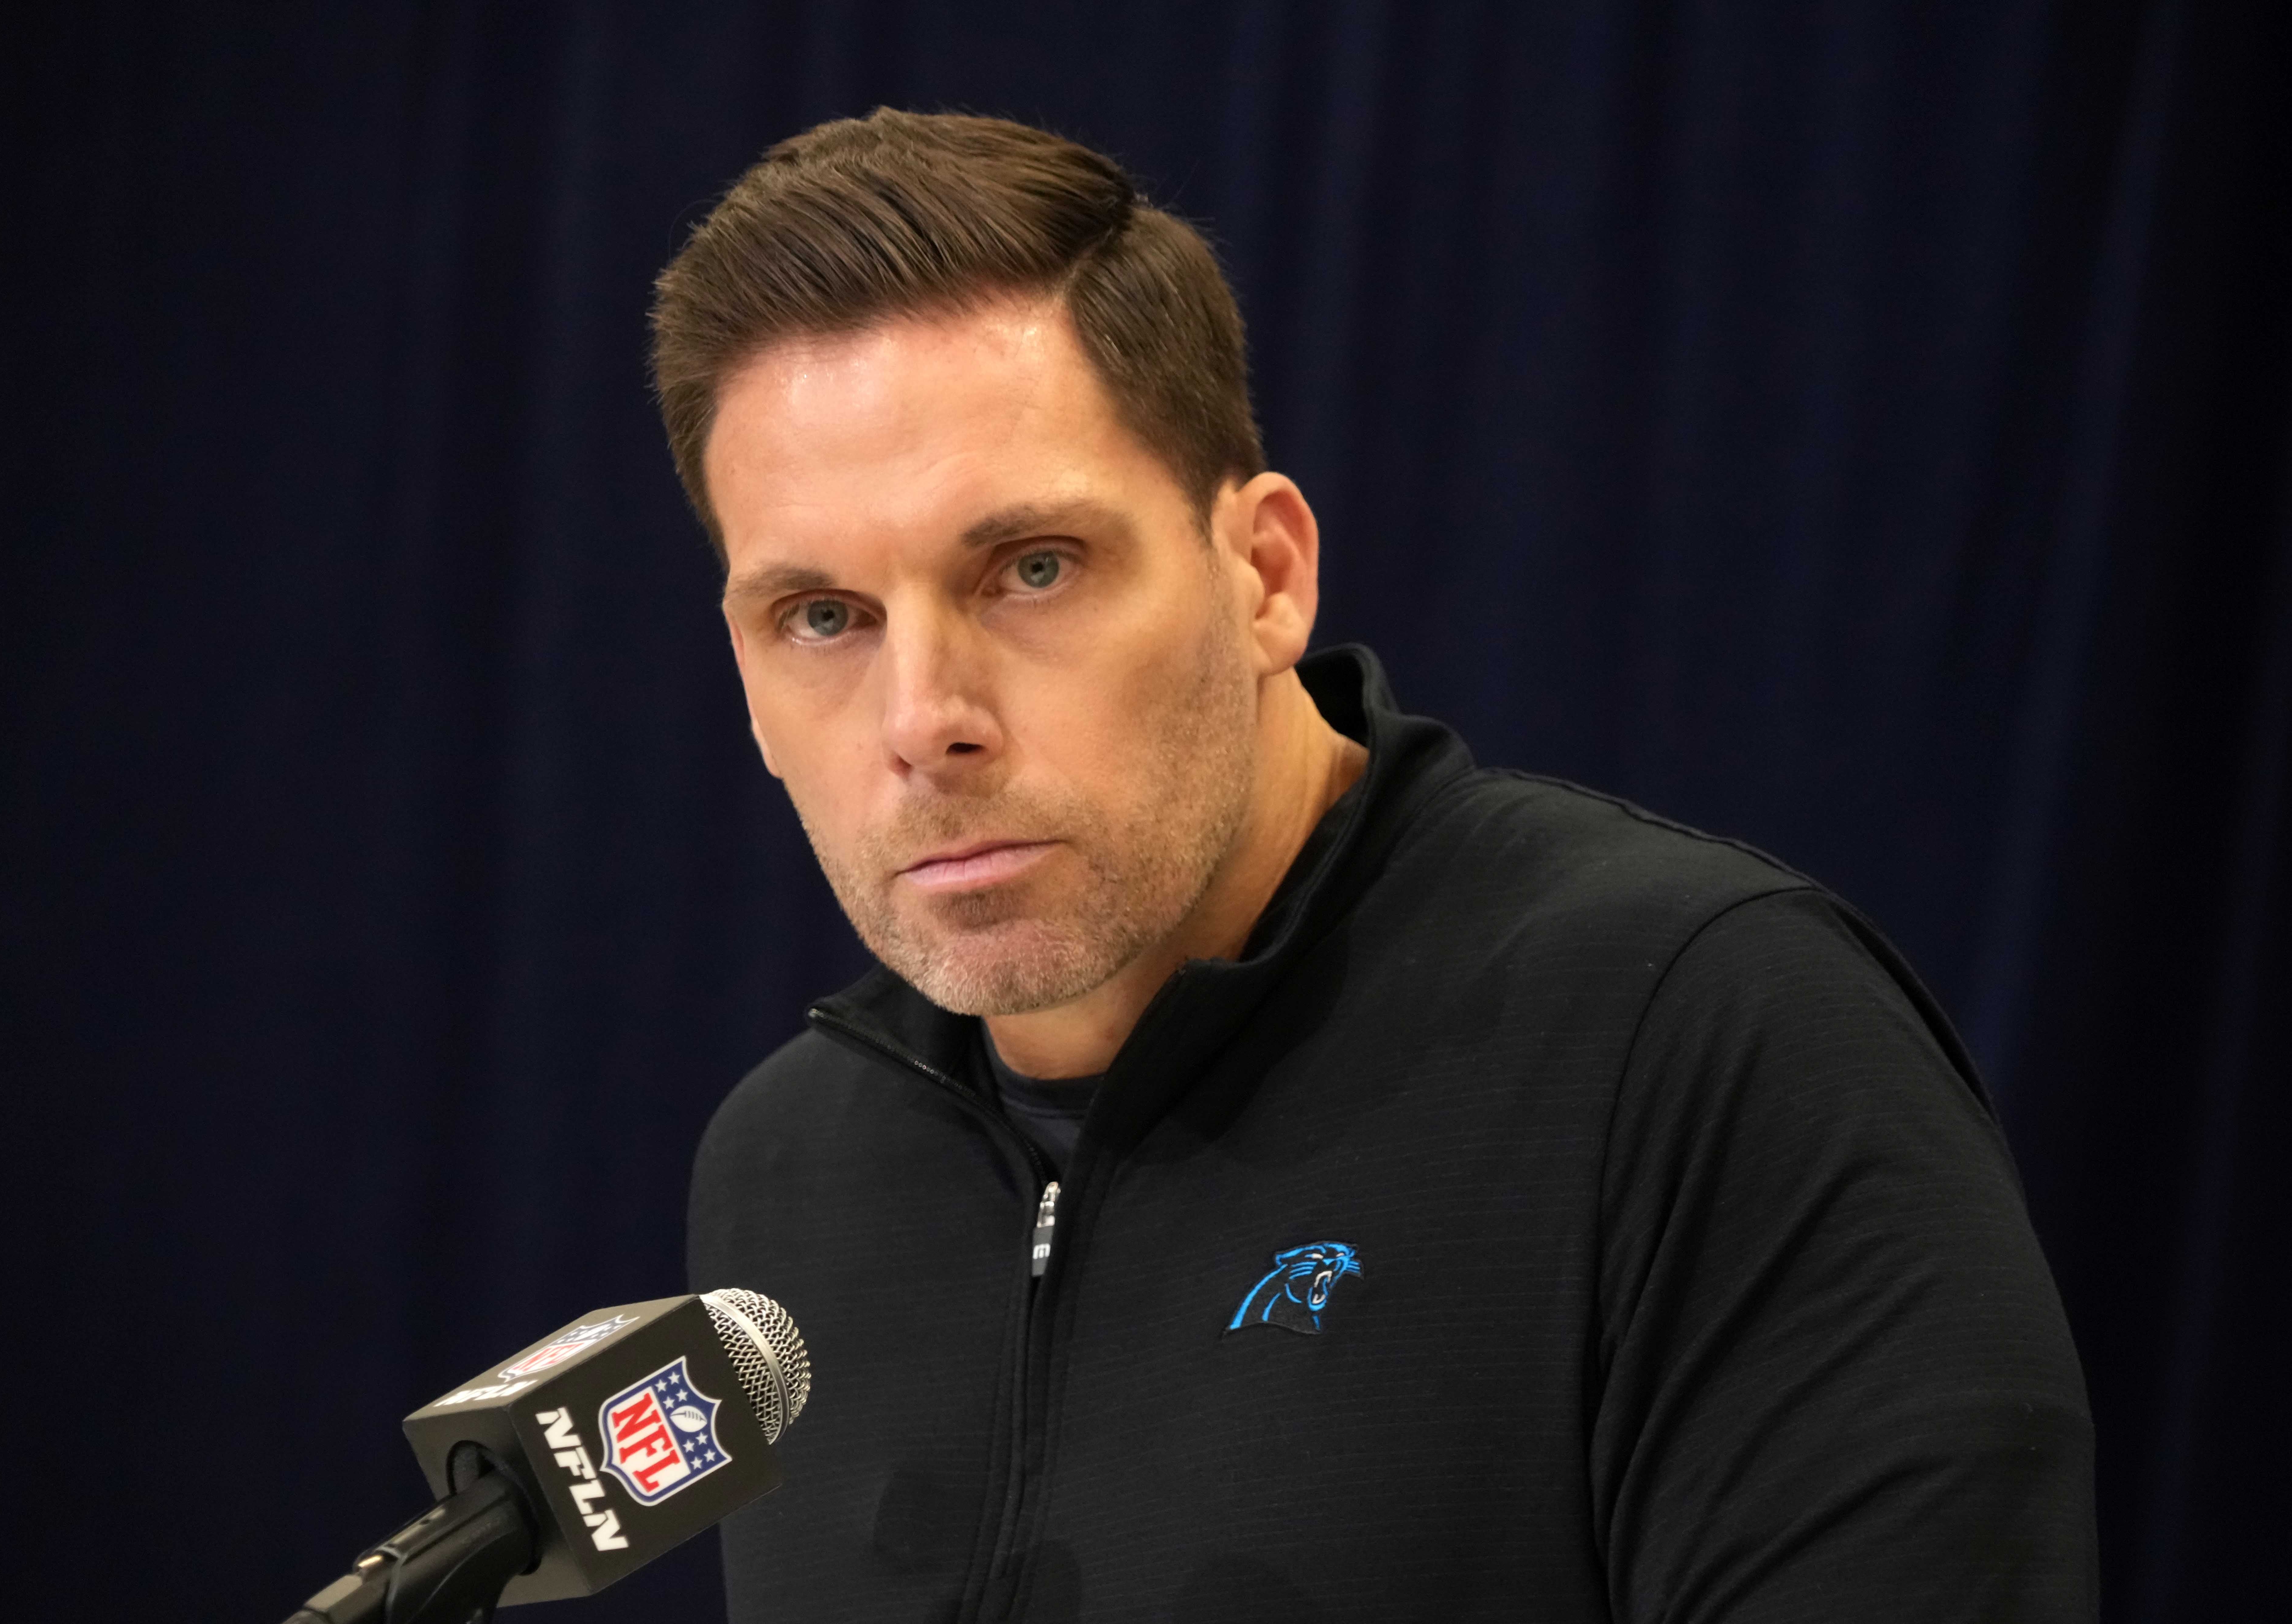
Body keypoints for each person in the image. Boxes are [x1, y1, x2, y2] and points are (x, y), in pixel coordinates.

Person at [659, 110, 2095, 1622]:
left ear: (1265, 573)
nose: (922, 720)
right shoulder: (787, 1170)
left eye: (1032, 569)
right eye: (824, 617)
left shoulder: (1705, 1035)